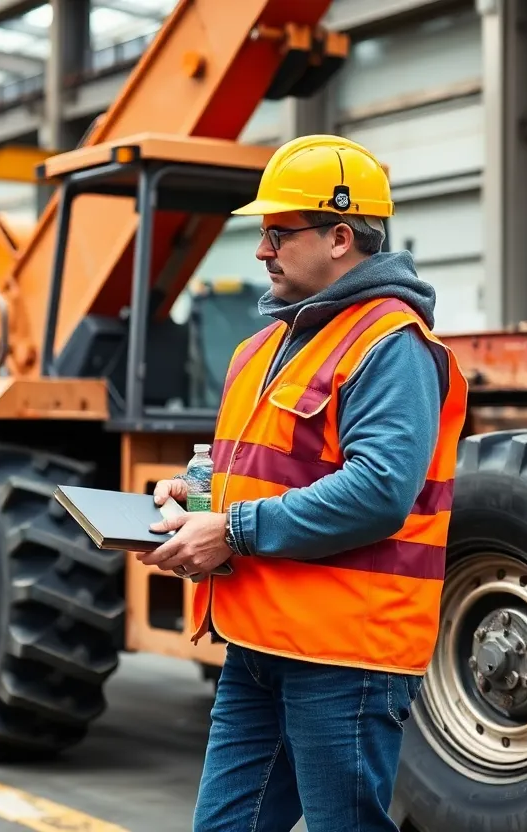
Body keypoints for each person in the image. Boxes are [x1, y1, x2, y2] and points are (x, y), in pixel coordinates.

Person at [142, 135, 468, 831]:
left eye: (277, 233)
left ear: (340, 236)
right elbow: (258, 468)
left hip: (345, 656)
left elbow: (381, 490)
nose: (262, 250)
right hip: (258, 642)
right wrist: (193, 500)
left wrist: (229, 531)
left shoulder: (391, 343)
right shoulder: (264, 346)